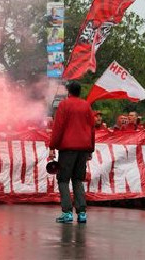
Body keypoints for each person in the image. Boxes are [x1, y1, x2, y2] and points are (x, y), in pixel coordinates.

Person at [48, 81, 95, 224]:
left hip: (67, 149)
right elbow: (92, 128)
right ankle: (82, 213)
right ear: (80, 92)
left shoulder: (64, 105)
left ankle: (67, 213)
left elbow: (58, 127)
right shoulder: (86, 106)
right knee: (78, 179)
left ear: (68, 92)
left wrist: (52, 146)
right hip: (83, 148)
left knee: (63, 179)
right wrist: (90, 148)